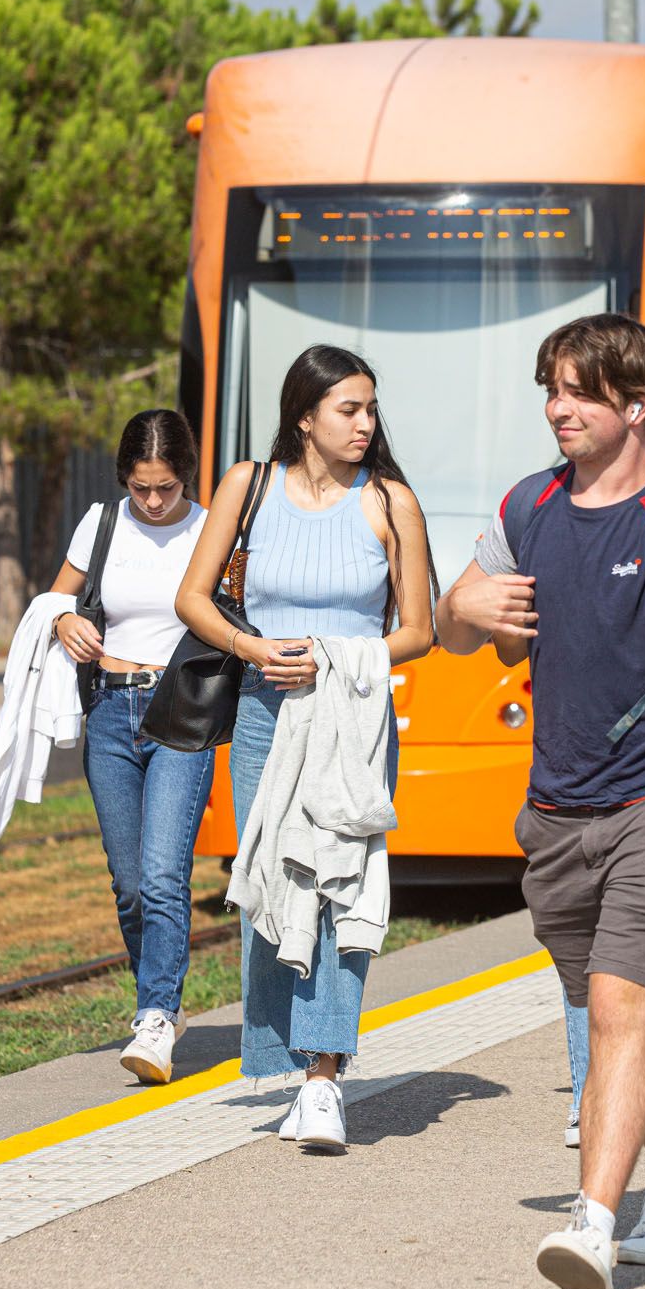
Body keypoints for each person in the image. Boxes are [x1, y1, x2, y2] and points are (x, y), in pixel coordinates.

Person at [435, 312, 645, 1289]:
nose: (557, 408)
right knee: (627, 1011)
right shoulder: (529, 507)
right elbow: (452, 619)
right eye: (550, 390)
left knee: (616, 1007)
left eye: (577, 391)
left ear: (635, 404)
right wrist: (459, 613)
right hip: (558, 812)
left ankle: (593, 1224)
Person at [176, 345, 434, 1150]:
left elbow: (419, 632)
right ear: (304, 417)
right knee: (272, 884)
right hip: (261, 711)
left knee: (339, 890)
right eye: (347, 409)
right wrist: (254, 651)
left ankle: (324, 1077)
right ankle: (289, 1062)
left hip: (352, 717)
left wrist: (331, 656)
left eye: (369, 408)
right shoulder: (245, 485)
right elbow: (192, 597)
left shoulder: (390, 500)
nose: (364, 423)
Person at [49, 410, 212, 1085]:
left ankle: (154, 1013)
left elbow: (232, 615)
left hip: (179, 714)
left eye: (165, 489)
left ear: (186, 479)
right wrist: (63, 621)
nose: (152, 502)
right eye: (141, 488)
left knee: (164, 875)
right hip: (110, 712)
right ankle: (159, 1003)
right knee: (128, 885)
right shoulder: (102, 523)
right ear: (125, 479)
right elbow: (54, 599)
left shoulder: (210, 530)